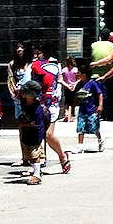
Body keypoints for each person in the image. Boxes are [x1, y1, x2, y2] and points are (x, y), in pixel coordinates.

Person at [31, 44, 70, 174]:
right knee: (38, 134)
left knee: (48, 135)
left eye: (39, 53)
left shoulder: (54, 64)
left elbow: (58, 81)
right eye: (36, 53)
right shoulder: (34, 66)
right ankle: (38, 163)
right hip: (37, 103)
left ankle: (62, 156)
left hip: (52, 104)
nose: (37, 56)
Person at [17, 80, 45, 185]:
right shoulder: (25, 102)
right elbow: (18, 95)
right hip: (26, 133)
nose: (23, 94)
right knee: (28, 155)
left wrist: (23, 125)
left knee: (34, 155)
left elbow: (35, 124)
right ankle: (36, 171)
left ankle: (37, 175)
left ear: (31, 94)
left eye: (25, 92)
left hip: (35, 134)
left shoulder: (36, 108)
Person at [73, 65, 104, 153]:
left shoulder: (92, 83)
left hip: (91, 110)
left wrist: (100, 105)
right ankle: (80, 145)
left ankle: (100, 140)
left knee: (94, 128)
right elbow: (76, 95)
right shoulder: (79, 84)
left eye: (79, 73)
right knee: (80, 128)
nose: (77, 74)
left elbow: (100, 94)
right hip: (82, 110)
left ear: (84, 74)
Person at [60, 56, 78, 122]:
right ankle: (71, 115)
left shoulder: (64, 70)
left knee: (67, 102)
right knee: (72, 102)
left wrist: (68, 85)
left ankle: (67, 115)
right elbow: (78, 79)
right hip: (72, 87)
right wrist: (74, 85)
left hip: (67, 87)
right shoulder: (75, 69)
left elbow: (61, 80)